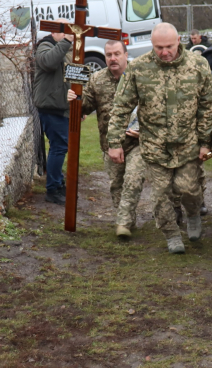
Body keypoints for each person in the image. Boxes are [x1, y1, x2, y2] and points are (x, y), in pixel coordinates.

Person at [107, 23, 212, 255]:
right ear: (152, 44)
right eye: (159, 47)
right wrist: (115, 142)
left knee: (188, 188)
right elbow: (121, 107)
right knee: (160, 196)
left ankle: (194, 213)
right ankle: (172, 234)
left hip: (188, 143)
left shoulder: (197, 65)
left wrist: (205, 142)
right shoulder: (138, 68)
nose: (164, 52)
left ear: (179, 40)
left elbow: (208, 105)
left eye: (169, 46)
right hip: (154, 145)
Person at [67, 40, 144, 238]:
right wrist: (75, 99)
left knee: (133, 179)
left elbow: (155, 108)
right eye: (109, 55)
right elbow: (86, 107)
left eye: (117, 54)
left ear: (126, 55)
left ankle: (123, 223)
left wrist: (143, 128)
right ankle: (128, 219)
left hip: (138, 142)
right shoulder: (97, 80)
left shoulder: (140, 76)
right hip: (110, 144)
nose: (113, 58)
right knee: (116, 185)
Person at [33, 19, 74, 205]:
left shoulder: (63, 49)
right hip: (50, 106)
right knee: (59, 146)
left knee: (61, 146)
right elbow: (49, 62)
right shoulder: (45, 46)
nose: (67, 33)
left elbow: (72, 76)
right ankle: (53, 188)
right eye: (63, 30)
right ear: (54, 31)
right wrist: (65, 41)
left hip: (62, 106)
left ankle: (58, 183)